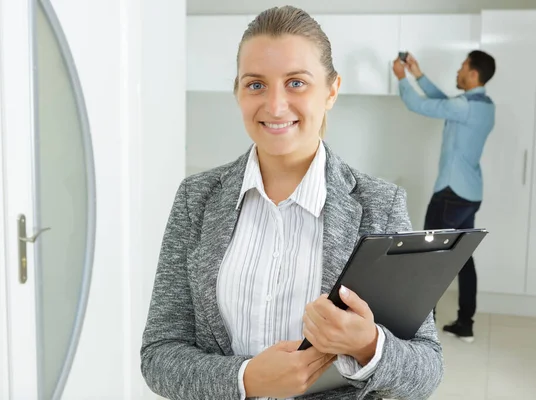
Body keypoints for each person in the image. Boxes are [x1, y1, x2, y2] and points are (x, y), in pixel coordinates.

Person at [141, 6, 443, 400]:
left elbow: (427, 368)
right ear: (238, 92)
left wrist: (369, 345)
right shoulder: (194, 200)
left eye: (296, 83)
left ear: (331, 91)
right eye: (256, 84)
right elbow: (159, 355)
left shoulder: (380, 206)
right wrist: (246, 378)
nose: (276, 105)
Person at [392, 51, 496, 343]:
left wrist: (402, 78)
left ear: (473, 74)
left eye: (463, 67)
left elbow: (421, 105)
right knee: (463, 257)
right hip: (471, 194)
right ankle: (465, 322)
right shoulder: (484, 104)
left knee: (429, 258)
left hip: (450, 194)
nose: (458, 71)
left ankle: (423, 328)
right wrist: (417, 73)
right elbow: (444, 103)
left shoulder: (464, 106)